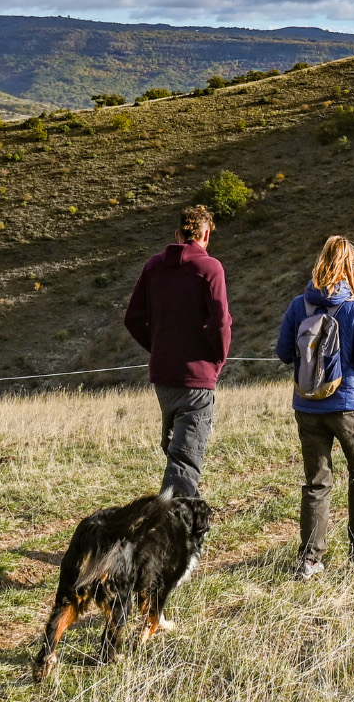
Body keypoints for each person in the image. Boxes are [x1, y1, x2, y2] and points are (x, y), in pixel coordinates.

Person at [275, 235, 354, 580]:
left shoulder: (297, 305)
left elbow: (282, 353)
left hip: (307, 406)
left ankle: (310, 559)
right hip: (348, 404)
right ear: (351, 267)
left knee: (316, 481)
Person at [123, 204, 232, 498]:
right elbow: (221, 322)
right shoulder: (210, 268)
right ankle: (172, 530)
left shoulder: (153, 267)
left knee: (177, 453)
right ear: (205, 234)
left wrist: (158, 346)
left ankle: (181, 516)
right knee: (185, 462)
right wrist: (217, 359)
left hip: (163, 377)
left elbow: (132, 318)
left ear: (177, 233)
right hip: (196, 377)